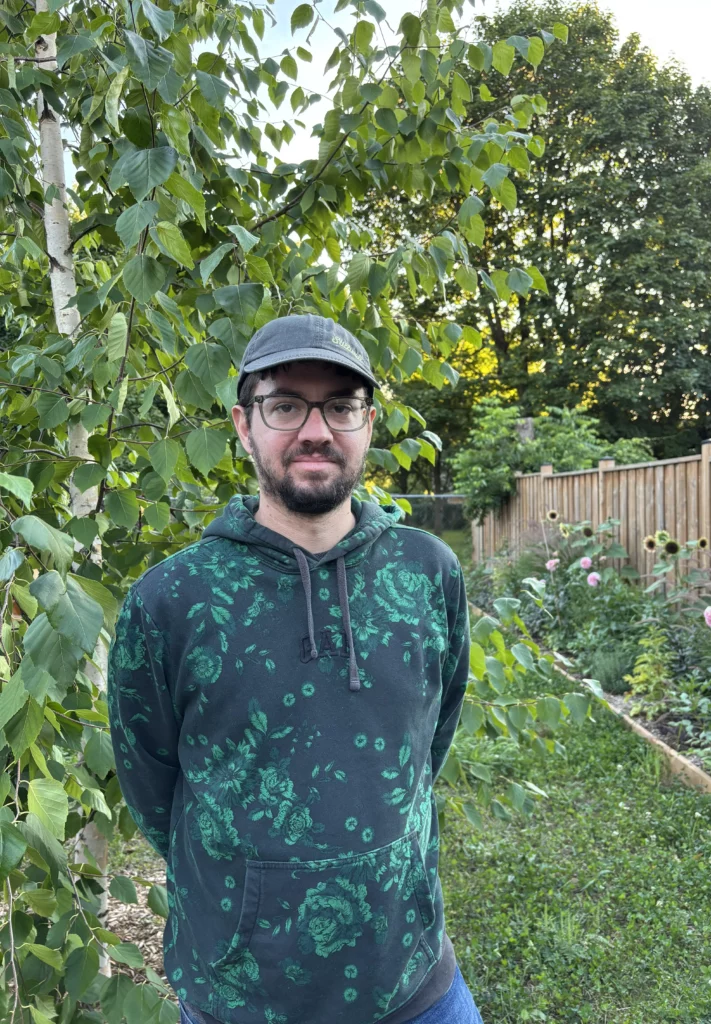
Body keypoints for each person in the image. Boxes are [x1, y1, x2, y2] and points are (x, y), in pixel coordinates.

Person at [107, 313, 482, 1024]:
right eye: (285, 405)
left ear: (369, 423)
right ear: (243, 425)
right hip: (242, 991)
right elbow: (153, 784)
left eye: (341, 406)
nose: (317, 430)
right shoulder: (171, 599)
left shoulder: (428, 570)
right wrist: (254, 884)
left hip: (414, 978)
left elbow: (429, 740)